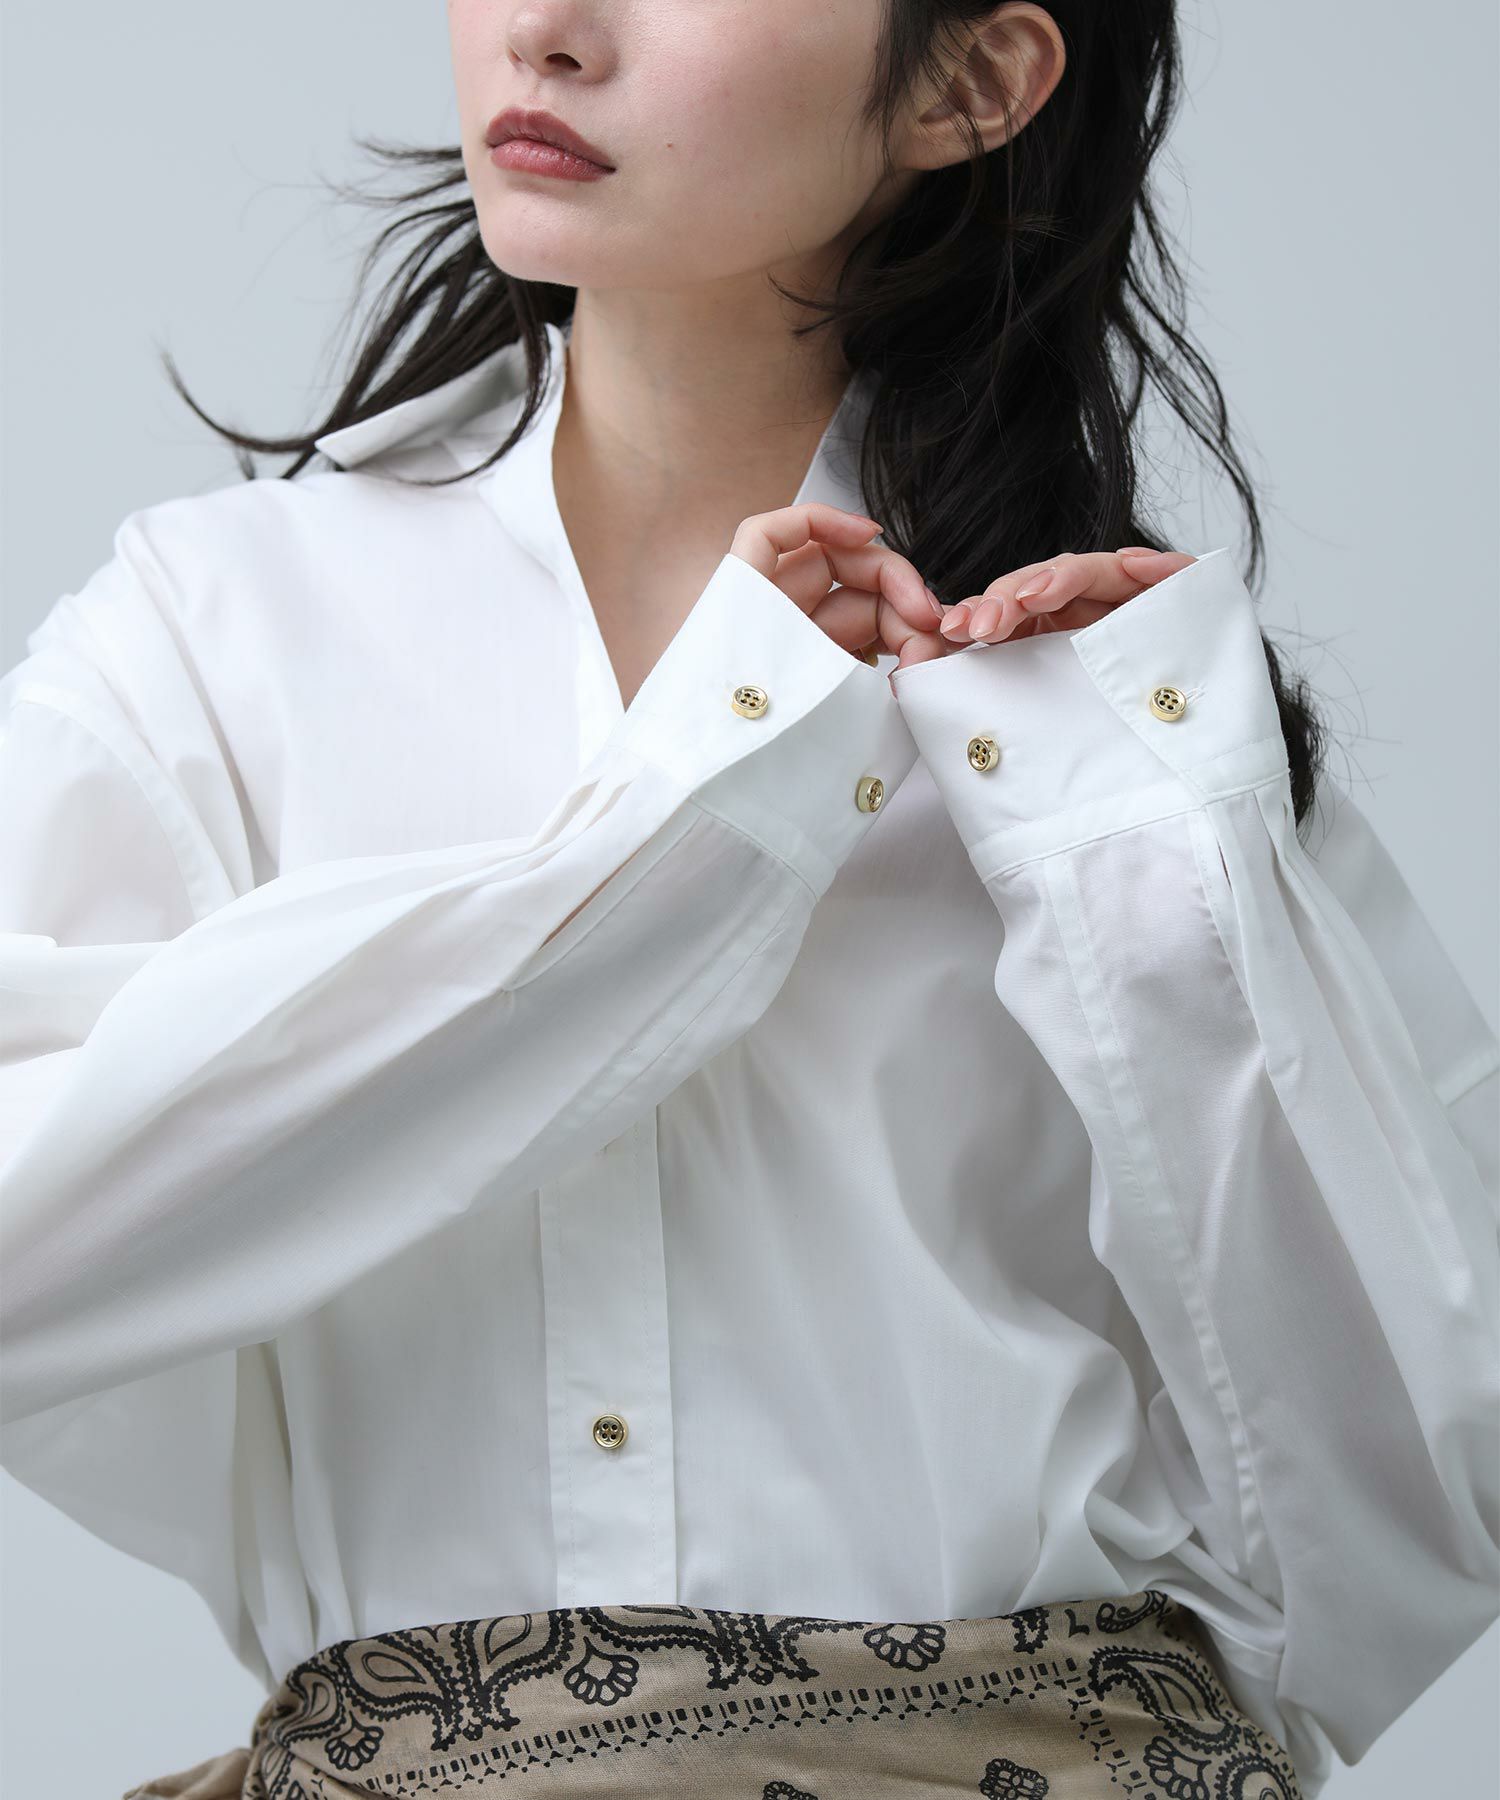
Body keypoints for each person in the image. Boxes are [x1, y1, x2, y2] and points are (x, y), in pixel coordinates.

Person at [2, 3, 1495, 1796]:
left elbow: (1408, 1523)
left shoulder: (1105, 712)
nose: (546, 31)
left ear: (971, 82)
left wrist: (1138, 859)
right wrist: (674, 848)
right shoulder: (219, 632)